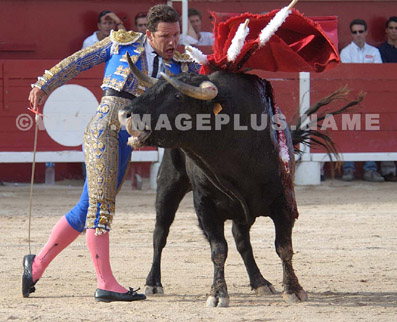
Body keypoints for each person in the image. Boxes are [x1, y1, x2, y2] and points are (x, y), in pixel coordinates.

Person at [23, 4, 200, 302]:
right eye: (165, 36)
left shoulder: (182, 65)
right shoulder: (123, 42)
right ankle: (105, 283)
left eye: (176, 35)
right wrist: (44, 84)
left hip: (128, 138)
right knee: (101, 208)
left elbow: (215, 77)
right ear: (149, 34)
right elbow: (78, 61)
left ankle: (36, 266)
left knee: (85, 210)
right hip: (104, 130)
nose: (172, 42)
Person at [340, 19, 384, 182]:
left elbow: (377, 75)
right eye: (355, 32)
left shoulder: (374, 51)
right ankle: (349, 168)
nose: (358, 35)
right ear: (351, 34)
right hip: (351, 98)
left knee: (370, 130)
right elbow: (349, 77)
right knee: (350, 130)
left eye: (360, 31)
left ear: (366, 33)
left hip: (371, 98)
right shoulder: (346, 52)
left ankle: (370, 168)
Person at [378, 16, 397, 182]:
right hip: (385, 97)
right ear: (386, 30)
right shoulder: (381, 50)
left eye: (396, 28)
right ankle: (389, 169)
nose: (394, 31)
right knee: (386, 129)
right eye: (391, 28)